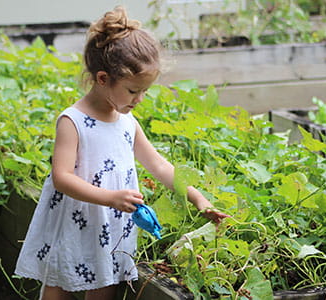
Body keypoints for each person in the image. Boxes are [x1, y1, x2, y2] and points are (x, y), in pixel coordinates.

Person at [15, 6, 230, 300]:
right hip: (78, 219)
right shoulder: (73, 121)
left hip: (112, 226)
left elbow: (160, 166)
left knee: (106, 285)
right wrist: (110, 198)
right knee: (60, 282)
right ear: (102, 79)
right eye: (132, 91)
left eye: (144, 91)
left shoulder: (127, 122)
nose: (139, 99)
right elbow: (62, 177)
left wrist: (197, 198)